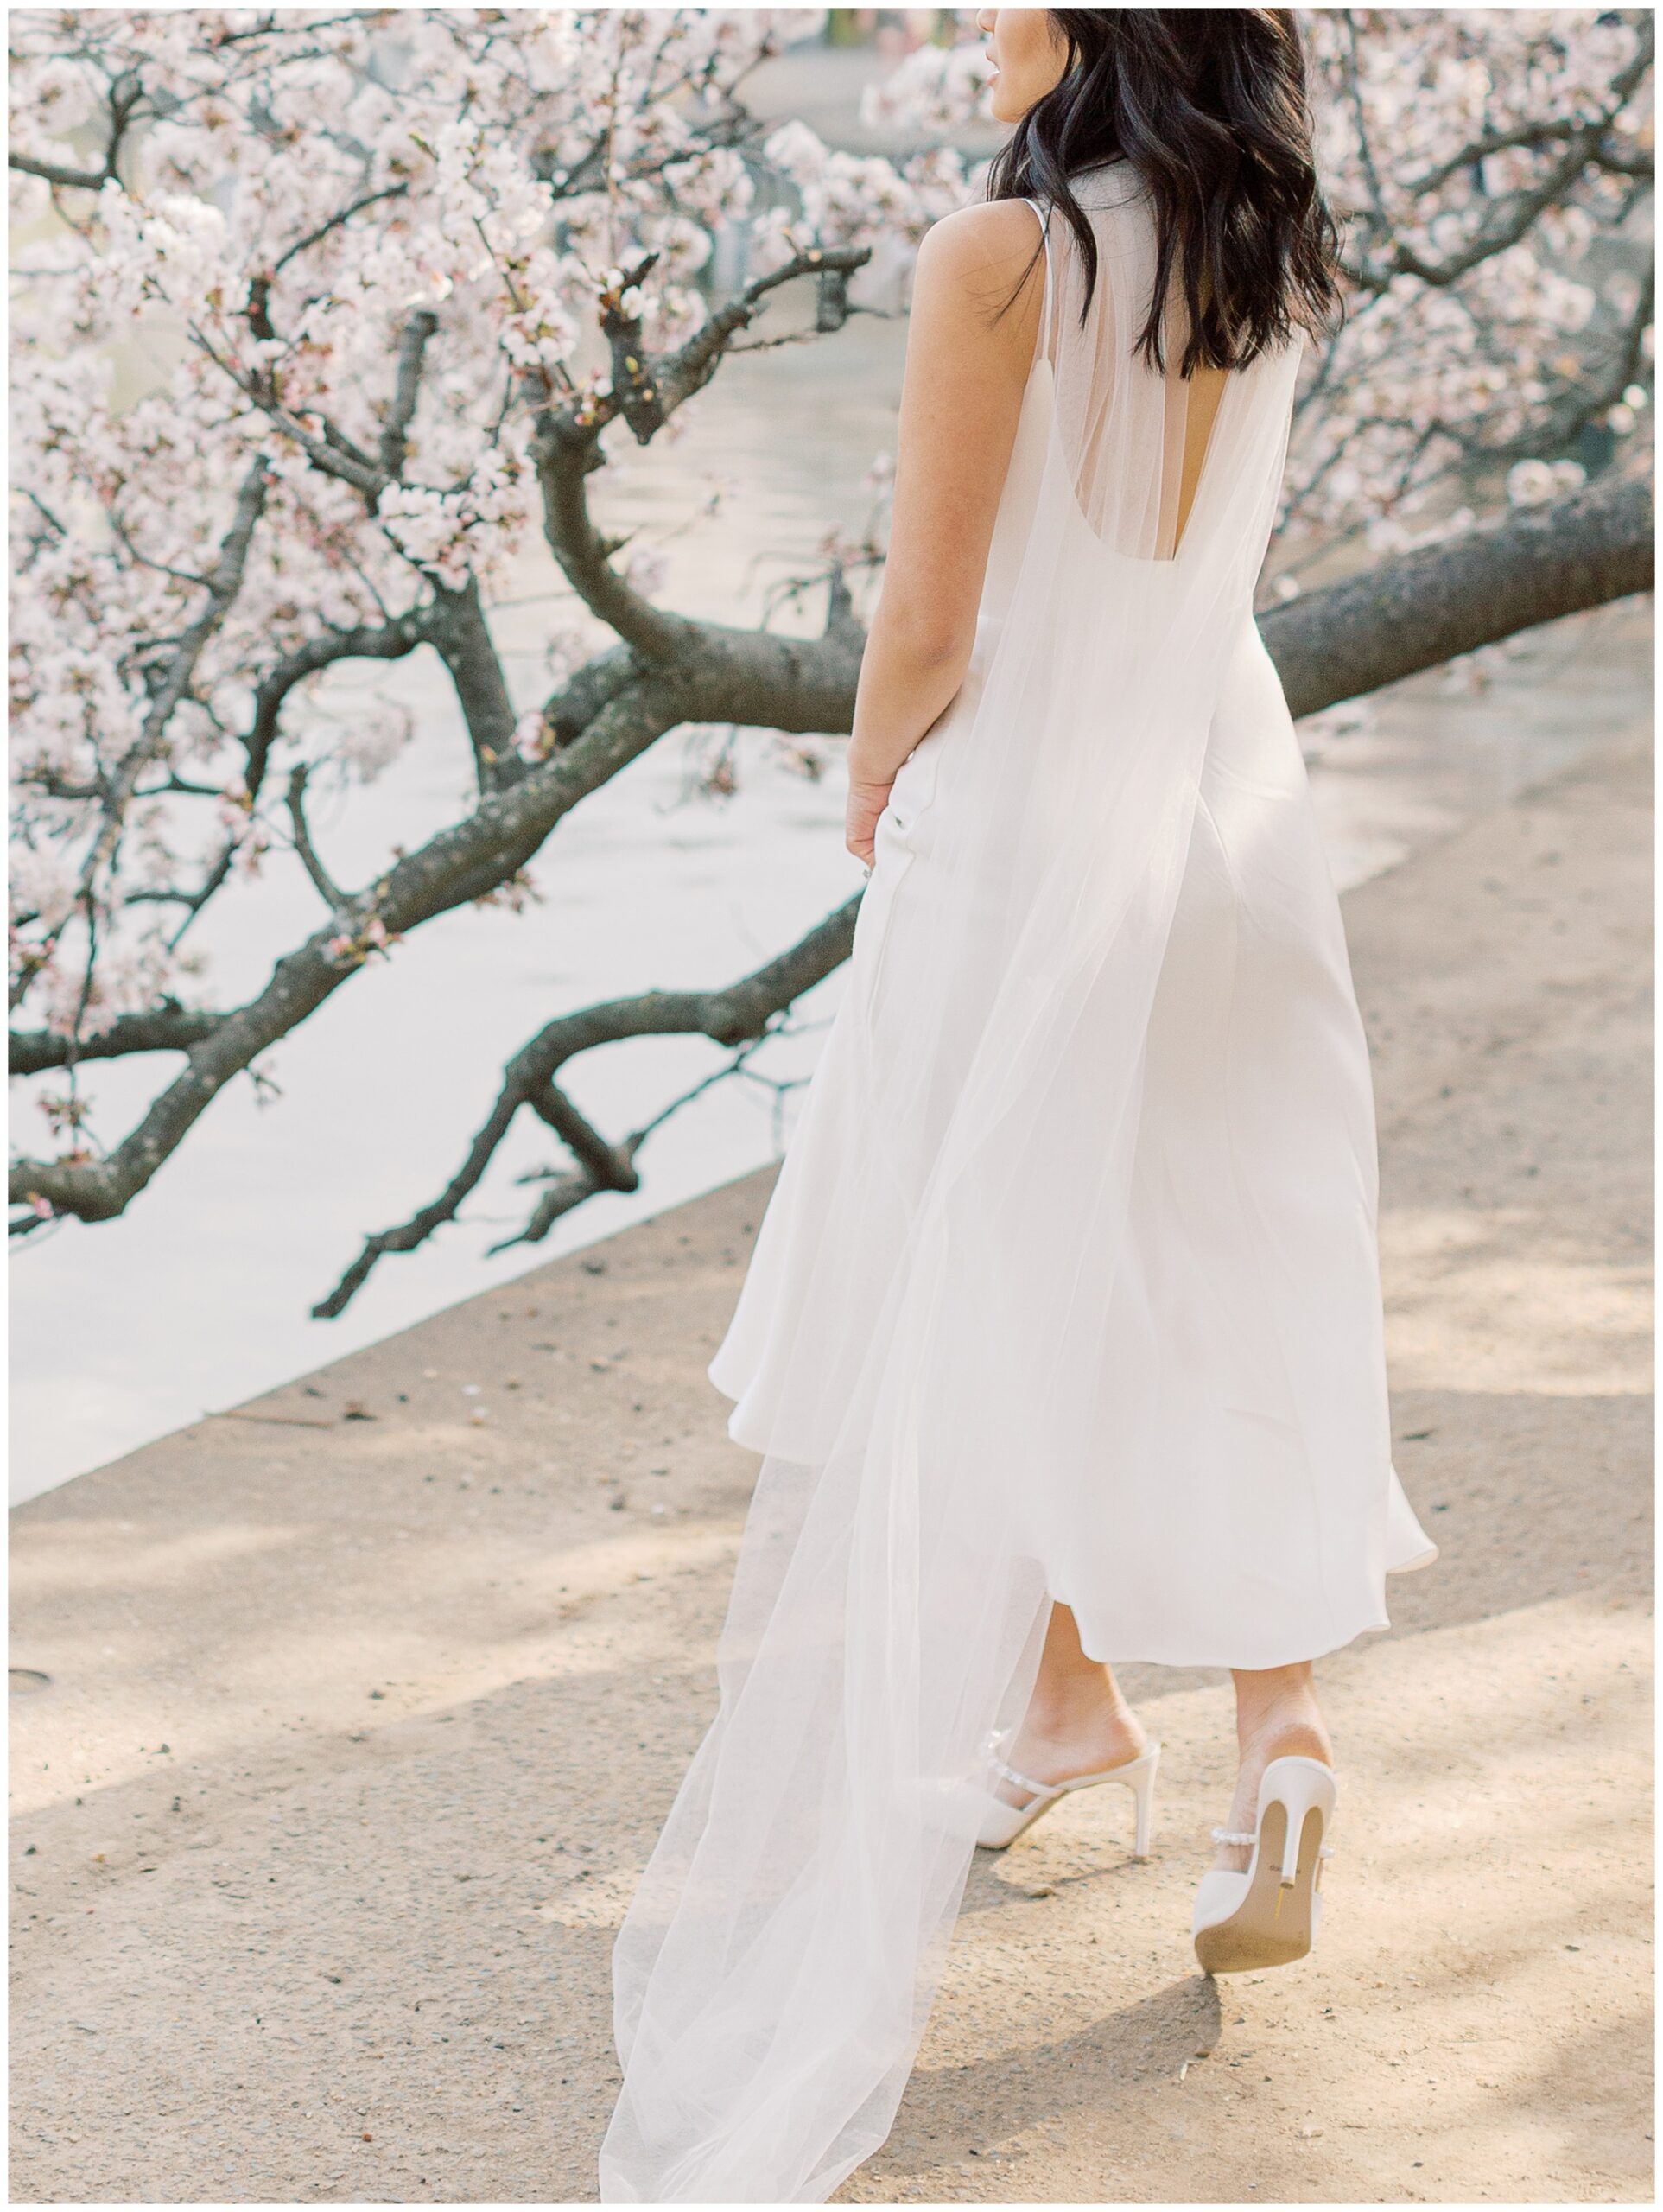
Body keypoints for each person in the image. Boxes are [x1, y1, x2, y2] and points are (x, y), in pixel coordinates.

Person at [600, 10, 1436, 2200]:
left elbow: (934, 612)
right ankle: (1259, 1732)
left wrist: (875, 778)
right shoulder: (1268, 242)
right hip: (1230, 816)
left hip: (1033, 819)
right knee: (1224, 1258)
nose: (973, 28)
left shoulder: (997, 255)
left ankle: (1067, 1700)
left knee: (978, 1254)